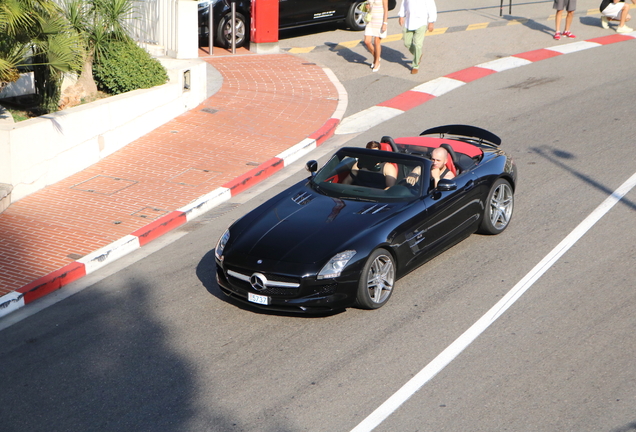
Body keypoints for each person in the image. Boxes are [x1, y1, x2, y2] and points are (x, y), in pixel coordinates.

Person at [398, 0, 437, 74]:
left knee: (418, 45)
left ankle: (415, 65)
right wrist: (401, 16)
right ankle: (418, 54)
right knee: (407, 42)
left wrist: (431, 22)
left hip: (421, 22)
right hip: (409, 22)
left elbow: (432, 7)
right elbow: (404, 3)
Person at [364, 0, 389, 72]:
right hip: (371, 20)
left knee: (376, 41)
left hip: (380, 21)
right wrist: (367, 7)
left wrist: (385, 23)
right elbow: (368, 5)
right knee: (367, 41)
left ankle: (377, 62)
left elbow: (386, 9)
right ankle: (377, 57)